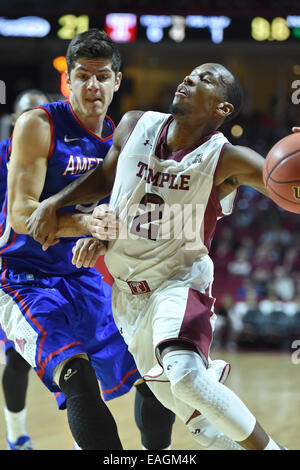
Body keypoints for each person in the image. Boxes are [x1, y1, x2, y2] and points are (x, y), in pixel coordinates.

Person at [26, 62, 290, 450]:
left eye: (206, 79)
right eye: (191, 74)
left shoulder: (227, 159)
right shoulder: (136, 124)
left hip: (179, 283)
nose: (189, 79)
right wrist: (57, 204)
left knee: (183, 376)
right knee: (199, 422)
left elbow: (284, 186)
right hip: (128, 298)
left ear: (222, 109)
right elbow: (105, 177)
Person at [0, 89, 49, 450]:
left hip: (56, 264)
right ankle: (16, 434)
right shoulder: (2, 156)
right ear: (16, 121)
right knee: (17, 356)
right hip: (12, 267)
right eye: (27, 114)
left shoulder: (61, 154)